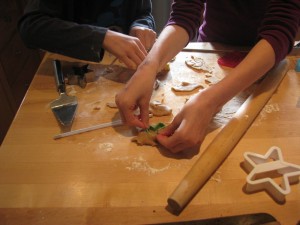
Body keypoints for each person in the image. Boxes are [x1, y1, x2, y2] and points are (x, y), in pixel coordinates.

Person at [115, 0, 300, 153]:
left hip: (266, 57)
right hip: (211, 46)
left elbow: (280, 30)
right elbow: (184, 16)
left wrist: (211, 101)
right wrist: (149, 65)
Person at [18, 0, 157, 70]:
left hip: (121, 69)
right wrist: (101, 37)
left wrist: (142, 24)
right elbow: (30, 26)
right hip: (75, 69)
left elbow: (143, 12)